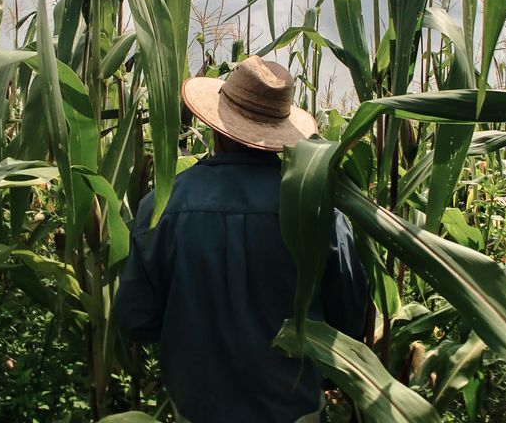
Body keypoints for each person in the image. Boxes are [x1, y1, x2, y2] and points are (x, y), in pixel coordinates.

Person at [112, 56, 368, 423]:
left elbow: (135, 318)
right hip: (296, 413)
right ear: (280, 134)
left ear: (217, 128)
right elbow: (349, 322)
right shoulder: (317, 212)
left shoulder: (162, 207)